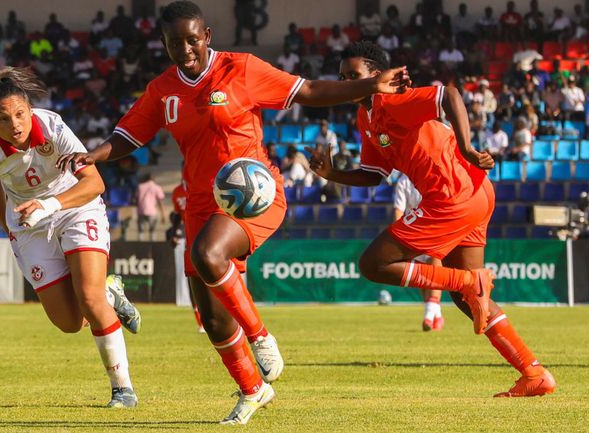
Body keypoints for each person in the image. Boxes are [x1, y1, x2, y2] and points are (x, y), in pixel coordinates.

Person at [56, 1, 410, 424]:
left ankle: (261, 337)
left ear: (206, 36)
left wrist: (369, 86)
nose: (185, 49)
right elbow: (129, 135)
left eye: (192, 39)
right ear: (164, 44)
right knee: (212, 317)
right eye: (174, 42)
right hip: (200, 203)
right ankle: (253, 389)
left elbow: (309, 91)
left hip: (254, 195)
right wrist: (92, 155)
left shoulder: (241, 68)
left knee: (209, 254)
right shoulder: (163, 89)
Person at [307, 41, 556, 398]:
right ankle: (533, 373)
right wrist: (332, 174)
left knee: (374, 264)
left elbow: (449, 95)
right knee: (465, 298)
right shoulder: (366, 117)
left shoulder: (393, 101)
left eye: (354, 75)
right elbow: (375, 174)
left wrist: (468, 147)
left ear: (376, 75)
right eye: (342, 77)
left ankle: (470, 282)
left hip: (452, 197)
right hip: (473, 193)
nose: (346, 82)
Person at [0, 66, 142, 409]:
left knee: (89, 297)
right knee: (68, 322)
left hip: (75, 207)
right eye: (3, 119)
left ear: (30, 110)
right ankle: (110, 292)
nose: (15, 124)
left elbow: (95, 183)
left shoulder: (54, 128)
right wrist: (7, 224)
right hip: (29, 224)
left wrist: (49, 204)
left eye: (20, 114)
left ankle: (122, 389)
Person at [393, 173, 445, 331]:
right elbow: (398, 211)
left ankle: (428, 316)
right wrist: (400, 236)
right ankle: (436, 314)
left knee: (435, 267)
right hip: (414, 234)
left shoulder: (434, 176)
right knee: (423, 277)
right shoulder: (403, 182)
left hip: (435, 230)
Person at [172, 180, 205, 333]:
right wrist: (175, 233)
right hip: (189, 239)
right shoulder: (177, 192)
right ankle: (200, 321)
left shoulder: (201, 184)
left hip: (207, 236)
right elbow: (177, 216)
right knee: (192, 278)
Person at [135, 172, 166, 241]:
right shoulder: (157, 187)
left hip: (141, 210)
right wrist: (163, 214)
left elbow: (136, 199)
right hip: (152, 211)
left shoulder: (140, 187)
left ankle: (140, 244)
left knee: (141, 231)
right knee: (152, 231)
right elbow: (160, 202)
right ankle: (152, 244)